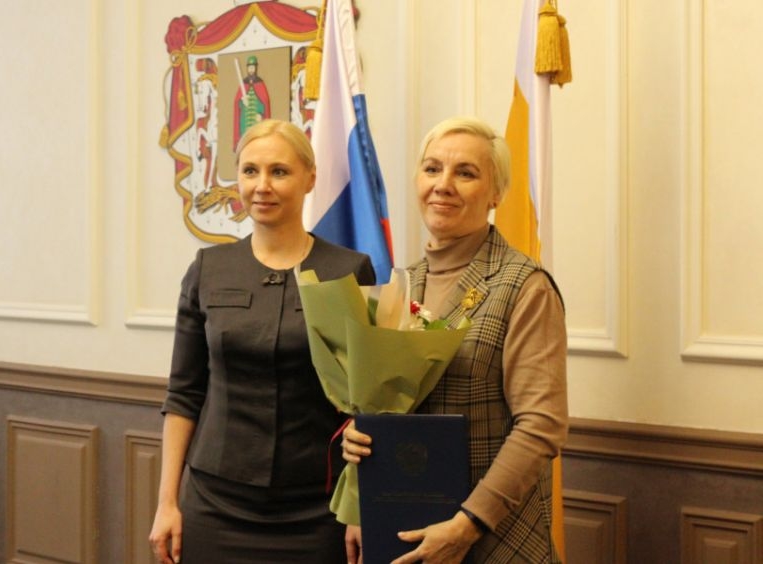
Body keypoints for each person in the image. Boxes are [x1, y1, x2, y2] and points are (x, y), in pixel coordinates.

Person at [342, 116, 568, 564]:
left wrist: (468, 525)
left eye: (465, 173)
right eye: (432, 169)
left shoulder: (525, 285)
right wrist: (362, 448)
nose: (443, 185)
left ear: (496, 193)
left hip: (495, 540)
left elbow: (541, 427)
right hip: (405, 534)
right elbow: (390, 405)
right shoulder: (402, 283)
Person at [149, 119, 376, 564]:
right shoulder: (208, 269)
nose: (262, 185)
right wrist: (167, 502)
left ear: (310, 178)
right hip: (216, 503)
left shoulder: (349, 270)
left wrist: (360, 506)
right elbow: (183, 395)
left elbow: (368, 401)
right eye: (250, 171)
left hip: (319, 508)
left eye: (279, 171)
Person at [233, 55, 271, 150]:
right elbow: (237, 102)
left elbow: (264, 101)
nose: (251, 70)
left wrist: (261, 114)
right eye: (249, 68)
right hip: (245, 122)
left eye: (252, 67)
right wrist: (242, 101)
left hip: (256, 120)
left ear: (256, 68)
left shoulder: (260, 83)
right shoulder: (244, 83)